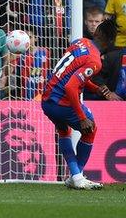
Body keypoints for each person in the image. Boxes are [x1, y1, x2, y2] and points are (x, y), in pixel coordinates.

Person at [41, 19, 120, 190]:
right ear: (111, 42)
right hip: (61, 102)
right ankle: (77, 176)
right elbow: (71, 87)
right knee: (90, 129)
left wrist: (95, 88)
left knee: (64, 131)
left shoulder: (79, 42)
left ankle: (75, 176)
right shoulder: (95, 61)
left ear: (96, 32)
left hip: (47, 99)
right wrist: (82, 117)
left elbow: (71, 75)